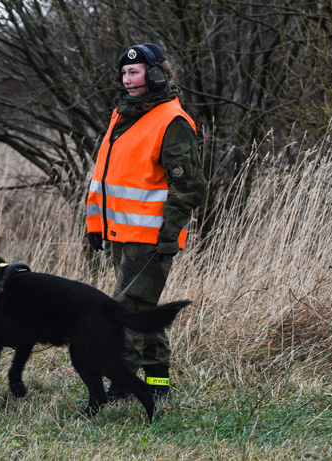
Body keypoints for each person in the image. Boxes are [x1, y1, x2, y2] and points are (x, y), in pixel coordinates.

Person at [85, 43, 207, 401]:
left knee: (125, 313)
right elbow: (106, 178)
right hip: (120, 233)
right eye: (124, 73)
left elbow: (188, 188)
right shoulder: (122, 116)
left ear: (157, 74)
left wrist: (168, 236)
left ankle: (123, 385)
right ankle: (158, 386)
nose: (128, 79)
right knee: (143, 313)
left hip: (151, 238)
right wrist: (95, 225)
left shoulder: (172, 121)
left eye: (134, 72)